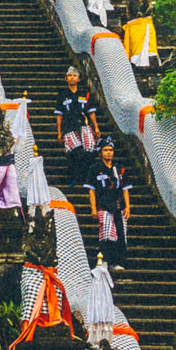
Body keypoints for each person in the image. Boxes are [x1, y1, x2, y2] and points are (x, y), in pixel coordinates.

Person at [87, 138, 131, 268]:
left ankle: (118, 261)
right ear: (100, 153)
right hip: (103, 205)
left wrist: (128, 206)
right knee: (107, 233)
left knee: (121, 233)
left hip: (118, 205)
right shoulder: (95, 169)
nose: (109, 153)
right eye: (105, 150)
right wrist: (93, 208)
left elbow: (125, 189)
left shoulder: (119, 169)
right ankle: (106, 260)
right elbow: (91, 190)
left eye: (111, 150)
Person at [54, 68, 99, 186]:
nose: (72, 77)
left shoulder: (85, 94)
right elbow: (59, 115)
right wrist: (59, 132)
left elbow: (91, 112)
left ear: (78, 79)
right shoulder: (62, 95)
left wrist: (96, 127)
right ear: (66, 78)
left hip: (84, 125)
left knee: (89, 151)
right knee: (75, 151)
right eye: (70, 75)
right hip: (69, 126)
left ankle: (86, 178)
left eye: (75, 75)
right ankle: (74, 177)